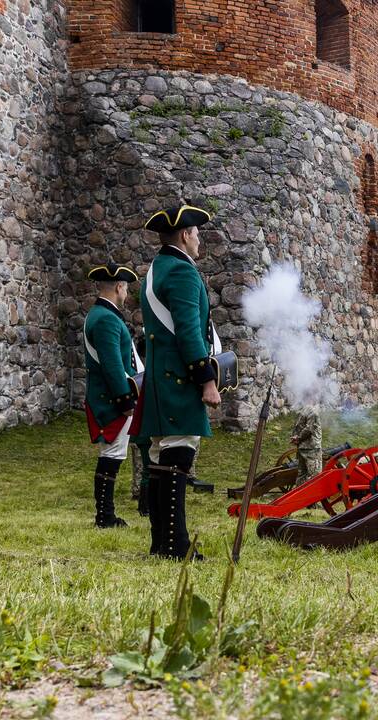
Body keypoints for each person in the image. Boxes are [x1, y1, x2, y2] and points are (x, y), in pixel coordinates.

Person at [135, 204, 221, 560]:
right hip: (178, 378)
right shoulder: (184, 273)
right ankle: (175, 546)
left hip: (160, 377)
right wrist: (207, 380)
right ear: (185, 234)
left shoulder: (157, 269)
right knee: (178, 457)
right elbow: (188, 332)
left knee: (159, 459)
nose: (200, 240)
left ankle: (161, 543)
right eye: (197, 234)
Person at [83, 263, 141, 528]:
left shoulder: (100, 314)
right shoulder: (106, 318)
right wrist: (125, 400)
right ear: (119, 287)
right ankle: (104, 516)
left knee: (113, 453)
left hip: (110, 397)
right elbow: (112, 365)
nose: (126, 293)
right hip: (112, 400)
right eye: (126, 288)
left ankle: (105, 514)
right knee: (112, 454)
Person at [290, 408, 322, 484]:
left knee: (302, 474)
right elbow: (309, 429)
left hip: (302, 447)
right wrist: (299, 437)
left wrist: (296, 437)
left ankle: (298, 494)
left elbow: (298, 427)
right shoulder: (313, 412)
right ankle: (312, 495)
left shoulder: (302, 411)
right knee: (315, 475)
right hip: (311, 448)